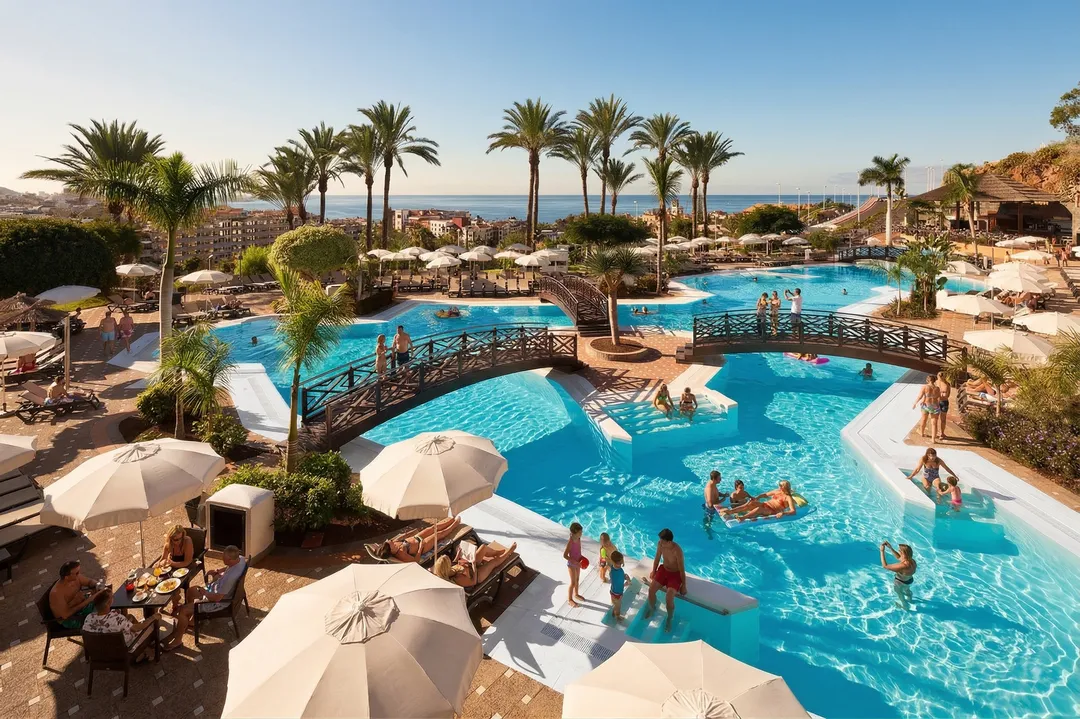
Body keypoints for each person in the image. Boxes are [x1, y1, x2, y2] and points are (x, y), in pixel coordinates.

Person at [165, 545, 246, 650]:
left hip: (217, 602)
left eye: (224, 559)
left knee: (183, 611)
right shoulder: (241, 559)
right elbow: (228, 567)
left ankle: (177, 641)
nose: (222, 559)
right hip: (215, 589)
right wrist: (218, 570)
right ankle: (194, 620)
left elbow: (217, 599)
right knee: (190, 591)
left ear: (230, 559)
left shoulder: (230, 578)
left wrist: (204, 592)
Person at [83, 588, 163, 662]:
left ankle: (145, 651)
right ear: (108, 604)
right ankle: (149, 651)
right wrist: (153, 617)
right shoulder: (118, 619)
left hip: (104, 653)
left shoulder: (89, 618)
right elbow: (137, 628)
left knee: (129, 617)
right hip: (127, 649)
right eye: (112, 597)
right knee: (151, 625)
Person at [643, 528, 686, 632]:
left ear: (669, 542)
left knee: (669, 597)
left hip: (675, 574)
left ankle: (669, 618)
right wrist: (654, 571)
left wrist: (684, 585)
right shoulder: (660, 544)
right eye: (660, 540)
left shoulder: (677, 551)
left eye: (662, 541)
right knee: (651, 590)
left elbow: (681, 568)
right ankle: (652, 608)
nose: (660, 542)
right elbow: (657, 557)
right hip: (663, 570)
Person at [432, 541, 518, 588]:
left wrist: (458, 555)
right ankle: (508, 553)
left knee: (483, 547)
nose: (451, 561)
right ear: (446, 567)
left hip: (468, 565)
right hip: (476, 575)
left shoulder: (443, 571)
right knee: (493, 562)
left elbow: (454, 564)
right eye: (449, 561)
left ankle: (496, 552)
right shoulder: (456, 580)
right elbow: (473, 582)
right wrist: (473, 566)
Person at [49, 560, 106, 630]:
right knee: (102, 615)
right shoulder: (56, 593)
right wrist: (88, 601)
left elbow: (89, 582)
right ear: (67, 577)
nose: (79, 574)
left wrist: (98, 585)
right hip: (71, 619)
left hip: (82, 606)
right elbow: (65, 615)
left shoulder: (76, 578)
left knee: (105, 598)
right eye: (76, 573)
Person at [374, 517, 461, 562]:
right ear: (390, 549)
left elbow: (404, 537)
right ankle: (455, 524)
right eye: (389, 542)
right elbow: (416, 560)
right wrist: (420, 548)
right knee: (438, 534)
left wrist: (408, 533)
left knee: (431, 528)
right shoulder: (400, 553)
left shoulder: (393, 543)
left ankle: (451, 520)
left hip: (417, 537)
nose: (390, 540)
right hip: (423, 546)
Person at [726, 480, 798, 523]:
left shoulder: (788, 497)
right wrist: (758, 497)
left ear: (784, 487)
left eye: (780, 486)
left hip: (772, 510)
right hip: (765, 505)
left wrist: (783, 513)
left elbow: (793, 511)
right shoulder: (777, 491)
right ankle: (731, 511)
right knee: (751, 503)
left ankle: (743, 518)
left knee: (758, 509)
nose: (779, 487)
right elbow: (765, 494)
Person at [880, 541, 916, 609]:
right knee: (907, 590)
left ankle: (905, 605)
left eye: (899, 550)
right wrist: (890, 548)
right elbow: (899, 557)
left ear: (903, 553)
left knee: (899, 593)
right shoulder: (912, 561)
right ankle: (910, 599)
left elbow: (885, 566)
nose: (898, 551)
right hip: (909, 580)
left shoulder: (903, 565)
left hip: (900, 582)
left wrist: (882, 551)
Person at [912, 374, 942, 441]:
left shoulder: (925, 387)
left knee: (923, 420)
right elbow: (939, 398)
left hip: (926, 406)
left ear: (928, 380)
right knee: (934, 423)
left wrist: (915, 403)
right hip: (935, 406)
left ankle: (922, 433)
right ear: (934, 381)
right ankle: (933, 439)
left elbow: (920, 396)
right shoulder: (937, 388)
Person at [563, 522, 585, 607]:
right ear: (575, 532)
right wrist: (574, 561)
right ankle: (570, 599)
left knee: (577, 579)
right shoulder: (571, 542)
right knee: (572, 582)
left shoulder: (578, 539)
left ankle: (576, 594)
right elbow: (565, 555)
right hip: (572, 565)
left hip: (578, 563)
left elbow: (578, 551)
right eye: (580, 532)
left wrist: (581, 557)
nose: (581, 534)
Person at [608, 551, 630, 622]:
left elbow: (618, 578)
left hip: (613, 591)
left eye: (621, 563)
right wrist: (625, 584)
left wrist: (625, 576)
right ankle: (617, 616)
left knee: (615, 604)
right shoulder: (616, 572)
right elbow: (618, 584)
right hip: (617, 593)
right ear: (614, 562)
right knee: (618, 606)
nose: (620, 564)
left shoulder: (615, 569)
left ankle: (614, 609)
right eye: (619, 563)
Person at [936, 373, 952, 441]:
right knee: (935, 419)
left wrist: (943, 395)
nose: (940, 377)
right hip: (936, 402)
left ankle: (942, 433)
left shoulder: (947, 384)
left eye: (941, 375)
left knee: (943, 419)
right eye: (939, 375)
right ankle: (936, 432)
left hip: (944, 402)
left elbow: (948, 395)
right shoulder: (935, 383)